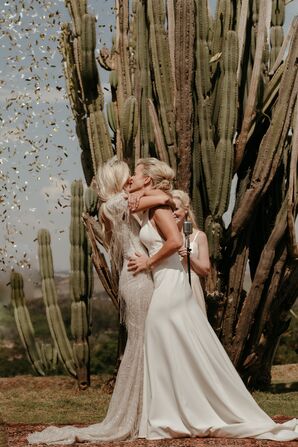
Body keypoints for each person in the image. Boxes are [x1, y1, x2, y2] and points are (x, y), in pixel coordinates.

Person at [127, 157, 298, 441]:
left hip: (169, 284)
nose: (130, 178)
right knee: (172, 347)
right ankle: (173, 414)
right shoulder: (156, 203)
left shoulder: (158, 207)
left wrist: (149, 262)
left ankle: (171, 416)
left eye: (135, 174)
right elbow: (134, 201)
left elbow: (176, 243)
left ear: (147, 179)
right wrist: (149, 196)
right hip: (168, 284)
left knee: (164, 343)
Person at [27, 156, 175, 445]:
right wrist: (155, 192)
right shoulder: (116, 204)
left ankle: (145, 411)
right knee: (141, 342)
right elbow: (163, 196)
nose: (132, 179)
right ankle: (137, 414)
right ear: (119, 181)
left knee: (143, 342)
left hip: (135, 277)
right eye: (128, 176)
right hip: (138, 278)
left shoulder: (113, 206)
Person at [172, 189, 210, 316]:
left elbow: (205, 270)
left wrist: (189, 257)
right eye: (169, 210)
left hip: (191, 287)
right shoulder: (162, 236)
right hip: (170, 286)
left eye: (176, 209)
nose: (173, 213)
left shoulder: (199, 236)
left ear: (185, 209)